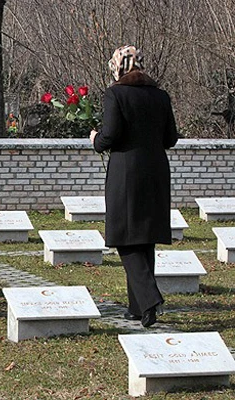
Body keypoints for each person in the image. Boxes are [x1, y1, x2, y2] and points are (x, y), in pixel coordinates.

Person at [89, 45, 179, 328]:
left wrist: (95, 139)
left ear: (118, 68)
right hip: (155, 171)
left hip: (126, 173)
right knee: (144, 237)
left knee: (125, 237)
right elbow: (171, 138)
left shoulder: (115, 93)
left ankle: (149, 298)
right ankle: (137, 308)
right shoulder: (160, 96)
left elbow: (110, 136)